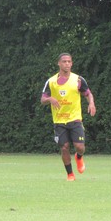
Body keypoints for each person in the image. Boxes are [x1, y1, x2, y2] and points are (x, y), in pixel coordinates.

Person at [41, 53, 96, 181]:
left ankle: (79, 157)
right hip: (59, 120)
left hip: (75, 119)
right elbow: (42, 99)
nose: (67, 64)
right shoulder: (51, 81)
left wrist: (91, 103)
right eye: (64, 61)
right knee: (64, 147)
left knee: (79, 147)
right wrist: (50, 99)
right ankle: (70, 174)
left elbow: (88, 94)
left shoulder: (78, 80)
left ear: (71, 63)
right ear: (58, 63)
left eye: (69, 61)